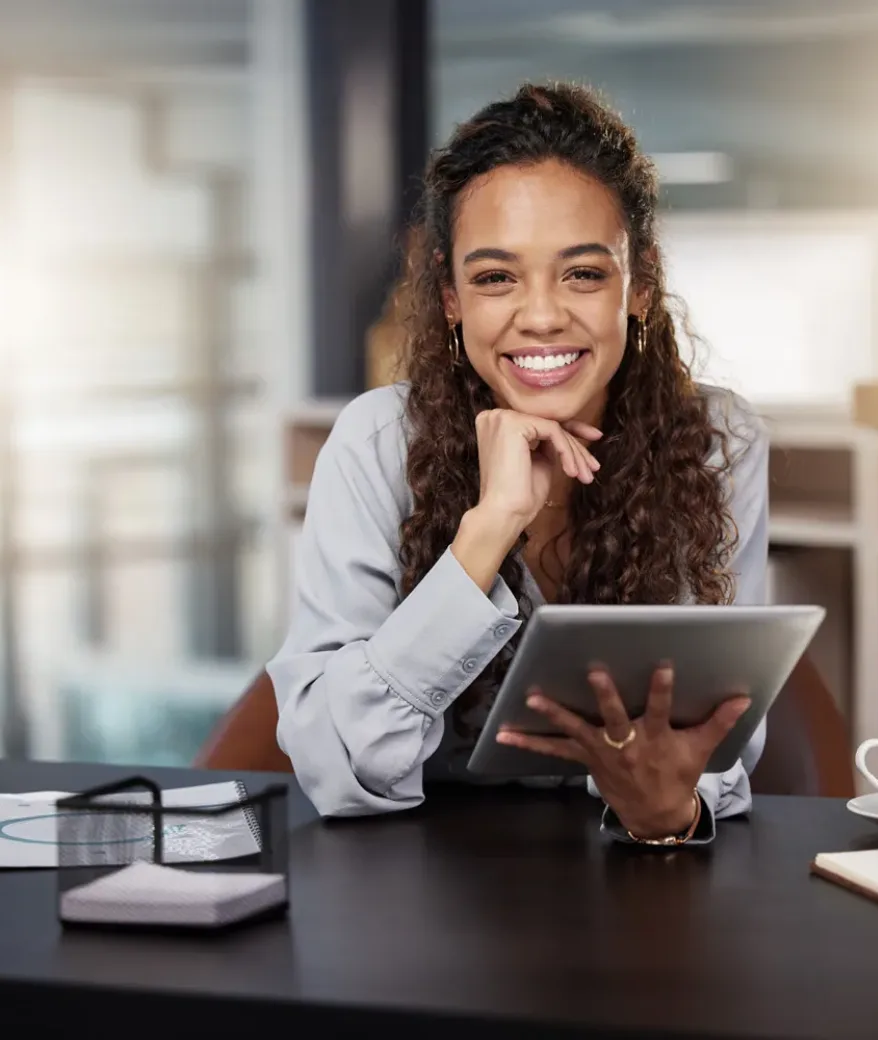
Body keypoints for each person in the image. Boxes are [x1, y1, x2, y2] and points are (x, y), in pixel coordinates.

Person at [268, 82, 768, 846]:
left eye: (583, 273)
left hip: (632, 874)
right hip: (415, 890)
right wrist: (488, 529)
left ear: (640, 286)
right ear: (449, 298)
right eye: (496, 277)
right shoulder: (375, 443)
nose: (539, 316)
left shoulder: (715, 437)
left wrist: (672, 810)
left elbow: (723, 737)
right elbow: (340, 770)